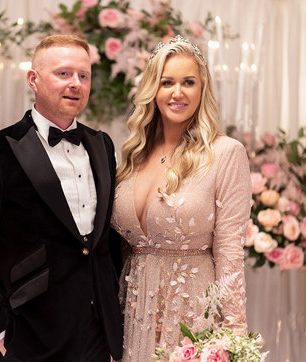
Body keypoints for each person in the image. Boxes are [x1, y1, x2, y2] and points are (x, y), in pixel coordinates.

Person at [0, 34, 123, 362]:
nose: (75, 83)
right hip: (28, 337)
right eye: (63, 73)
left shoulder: (103, 145)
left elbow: (105, 243)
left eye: (83, 76)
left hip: (100, 336)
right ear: (34, 79)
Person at [111, 35, 251, 360]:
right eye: (166, 82)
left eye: (188, 82)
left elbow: (230, 252)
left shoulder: (225, 153)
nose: (177, 93)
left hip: (193, 317)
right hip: (131, 313)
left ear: (202, 89)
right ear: (153, 90)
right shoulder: (133, 155)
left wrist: (233, 339)